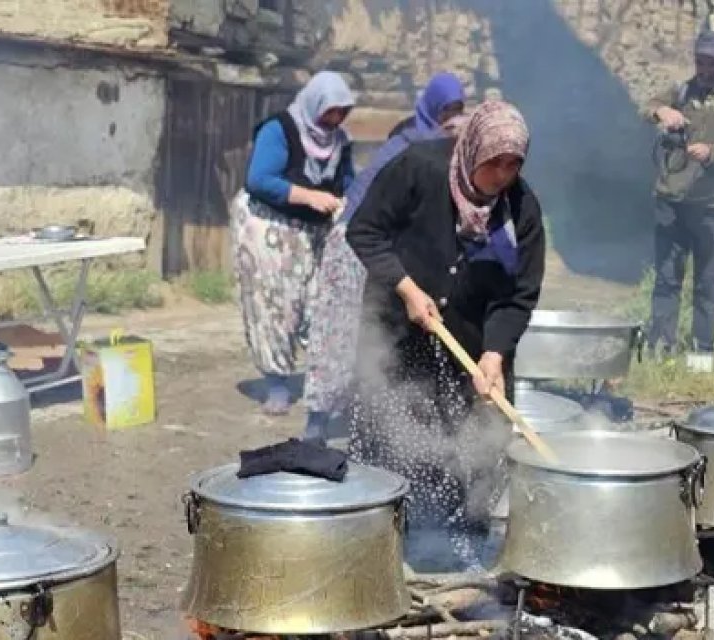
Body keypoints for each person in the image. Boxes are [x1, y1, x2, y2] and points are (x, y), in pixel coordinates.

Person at [345, 100, 543, 571]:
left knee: (479, 450)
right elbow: (365, 231)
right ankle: (388, 556)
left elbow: (518, 295)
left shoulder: (520, 208)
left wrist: (495, 352)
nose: (502, 174)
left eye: (514, 164)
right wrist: (408, 288)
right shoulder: (419, 169)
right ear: (472, 149)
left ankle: (458, 561)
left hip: (473, 349)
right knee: (399, 448)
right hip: (401, 340)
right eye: (494, 162)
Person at [303, 73, 467, 439]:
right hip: (355, 240)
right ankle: (316, 420)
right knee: (338, 330)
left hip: (381, 248)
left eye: (457, 109)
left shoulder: (436, 145)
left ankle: (359, 418)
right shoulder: (411, 145)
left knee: (370, 333)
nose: (451, 117)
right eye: (446, 109)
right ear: (430, 107)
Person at [231, 71, 356, 415]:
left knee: (321, 306)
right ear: (314, 104)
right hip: (270, 230)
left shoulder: (340, 141)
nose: (334, 120)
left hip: (315, 233)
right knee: (275, 307)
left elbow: (347, 182)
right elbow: (259, 179)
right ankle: (277, 384)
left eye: (341, 112)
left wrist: (348, 202)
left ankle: (326, 386)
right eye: (329, 111)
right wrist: (307, 196)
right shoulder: (280, 130)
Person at [643, 31, 714, 373]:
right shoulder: (681, 91)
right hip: (672, 201)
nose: (705, 70)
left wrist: (712, 154)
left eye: (712, 63)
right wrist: (662, 112)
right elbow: (646, 107)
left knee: (706, 284)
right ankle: (660, 350)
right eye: (701, 62)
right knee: (666, 280)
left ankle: (701, 355)